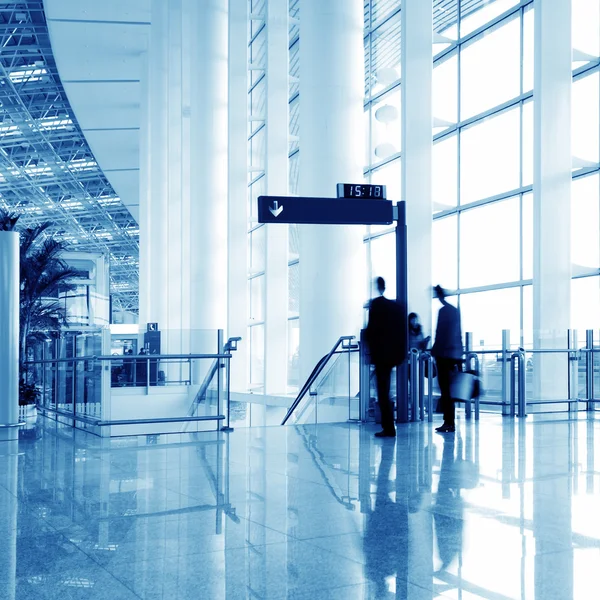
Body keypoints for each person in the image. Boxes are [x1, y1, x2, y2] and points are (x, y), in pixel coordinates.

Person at [366, 276, 406, 438]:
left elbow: (371, 331)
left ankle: (388, 427)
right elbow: (401, 332)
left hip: (381, 356)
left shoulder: (376, 305)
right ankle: (389, 426)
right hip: (393, 356)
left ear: (377, 286)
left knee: (382, 392)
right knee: (386, 391)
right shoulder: (397, 307)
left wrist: (369, 353)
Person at [431, 285, 463, 433]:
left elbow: (440, 334)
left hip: (444, 355)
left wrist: (434, 350)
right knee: (450, 389)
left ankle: (448, 422)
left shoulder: (443, 311)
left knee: (445, 390)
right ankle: (450, 422)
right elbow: (458, 334)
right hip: (454, 355)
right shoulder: (455, 311)